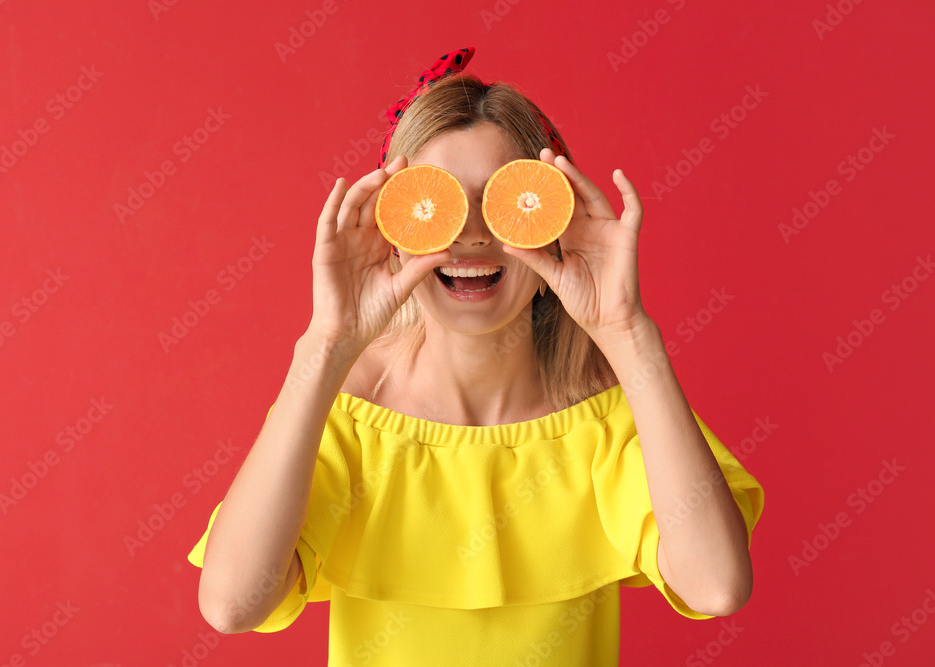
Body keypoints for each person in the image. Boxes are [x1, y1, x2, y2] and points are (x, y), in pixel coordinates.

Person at [186, 47, 765, 666]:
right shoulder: (350, 413)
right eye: (436, 207)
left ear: (556, 227)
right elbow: (232, 603)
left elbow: (716, 586)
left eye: (504, 203)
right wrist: (326, 344)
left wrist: (628, 332)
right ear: (393, 234)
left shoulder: (605, 416)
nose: (471, 237)